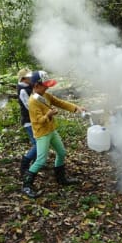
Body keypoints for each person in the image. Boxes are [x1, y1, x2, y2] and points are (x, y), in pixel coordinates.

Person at [22, 70, 85, 198]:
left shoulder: (45, 95)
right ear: (36, 86)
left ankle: (61, 179)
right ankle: (26, 185)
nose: (47, 87)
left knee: (61, 153)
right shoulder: (33, 102)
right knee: (41, 160)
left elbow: (60, 102)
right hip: (42, 134)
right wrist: (48, 115)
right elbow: (38, 121)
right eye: (45, 85)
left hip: (51, 131)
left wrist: (76, 108)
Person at [17, 68, 37, 177]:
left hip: (34, 120)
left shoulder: (29, 86)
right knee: (37, 145)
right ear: (24, 79)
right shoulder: (22, 90)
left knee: (37, 144)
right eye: (29, 77)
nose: (31, 78)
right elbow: (30, 107)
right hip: (29, 121)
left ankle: (35, 164)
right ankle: (24, 165)